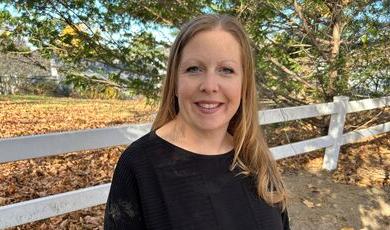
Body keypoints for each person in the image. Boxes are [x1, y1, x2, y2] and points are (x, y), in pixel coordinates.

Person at [104, 14, 290, 230]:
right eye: (194, 69)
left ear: (244, 85)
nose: (210, 86)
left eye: (226, 70)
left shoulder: (256, 159)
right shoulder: (139, 165)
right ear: (174, 82)